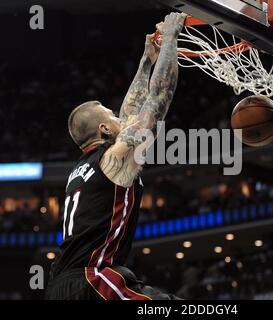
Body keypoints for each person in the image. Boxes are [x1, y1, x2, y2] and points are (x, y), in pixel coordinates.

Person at [45, 12, 187, 300]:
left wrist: (146, 61)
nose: (118, 114)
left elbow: (131, 114)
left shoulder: (85, 167)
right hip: (90, 280)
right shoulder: (112, 159)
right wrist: (172, 36)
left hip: (60, 286)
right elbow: (159, 98)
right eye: (111, 114)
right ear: (104, 128)